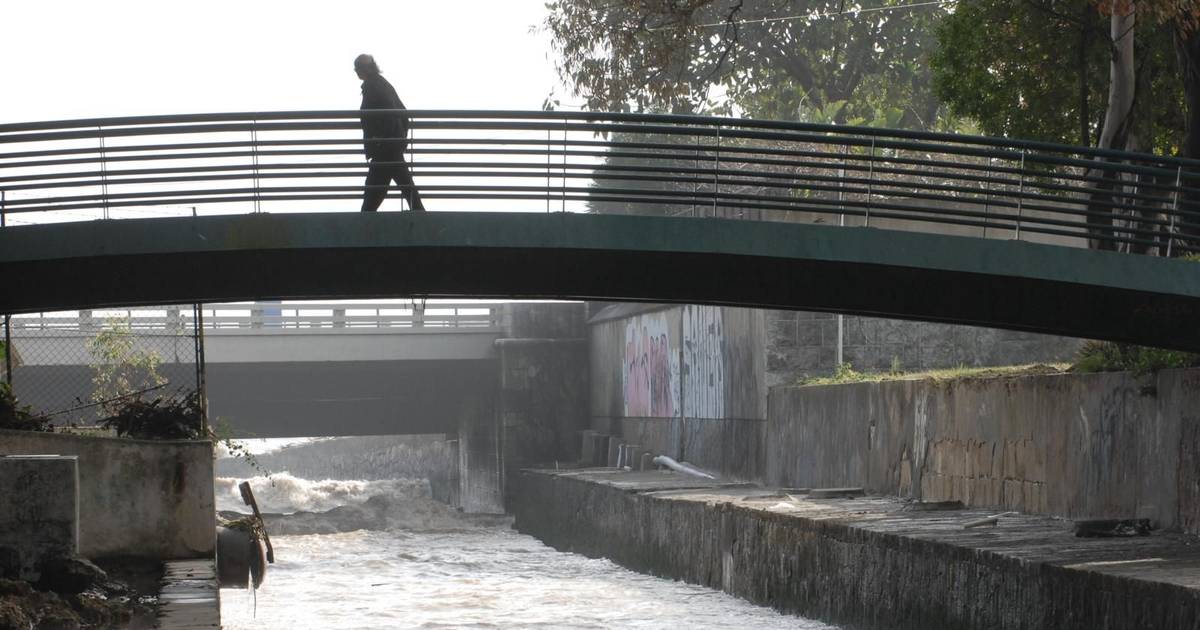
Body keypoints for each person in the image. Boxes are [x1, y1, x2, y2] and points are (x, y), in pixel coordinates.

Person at [354, 54, 425, 212]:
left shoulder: (372, 86)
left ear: (365, 68)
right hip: (390, 147)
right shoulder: (382, 84)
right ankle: (423, 219)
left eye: (358, 67)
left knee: (373, 193)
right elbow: (403, 114)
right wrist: (400, 140)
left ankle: (362, 229)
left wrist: (379, 140)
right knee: (403, 187)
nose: (356, 70)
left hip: (384, 149)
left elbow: (386, 116)